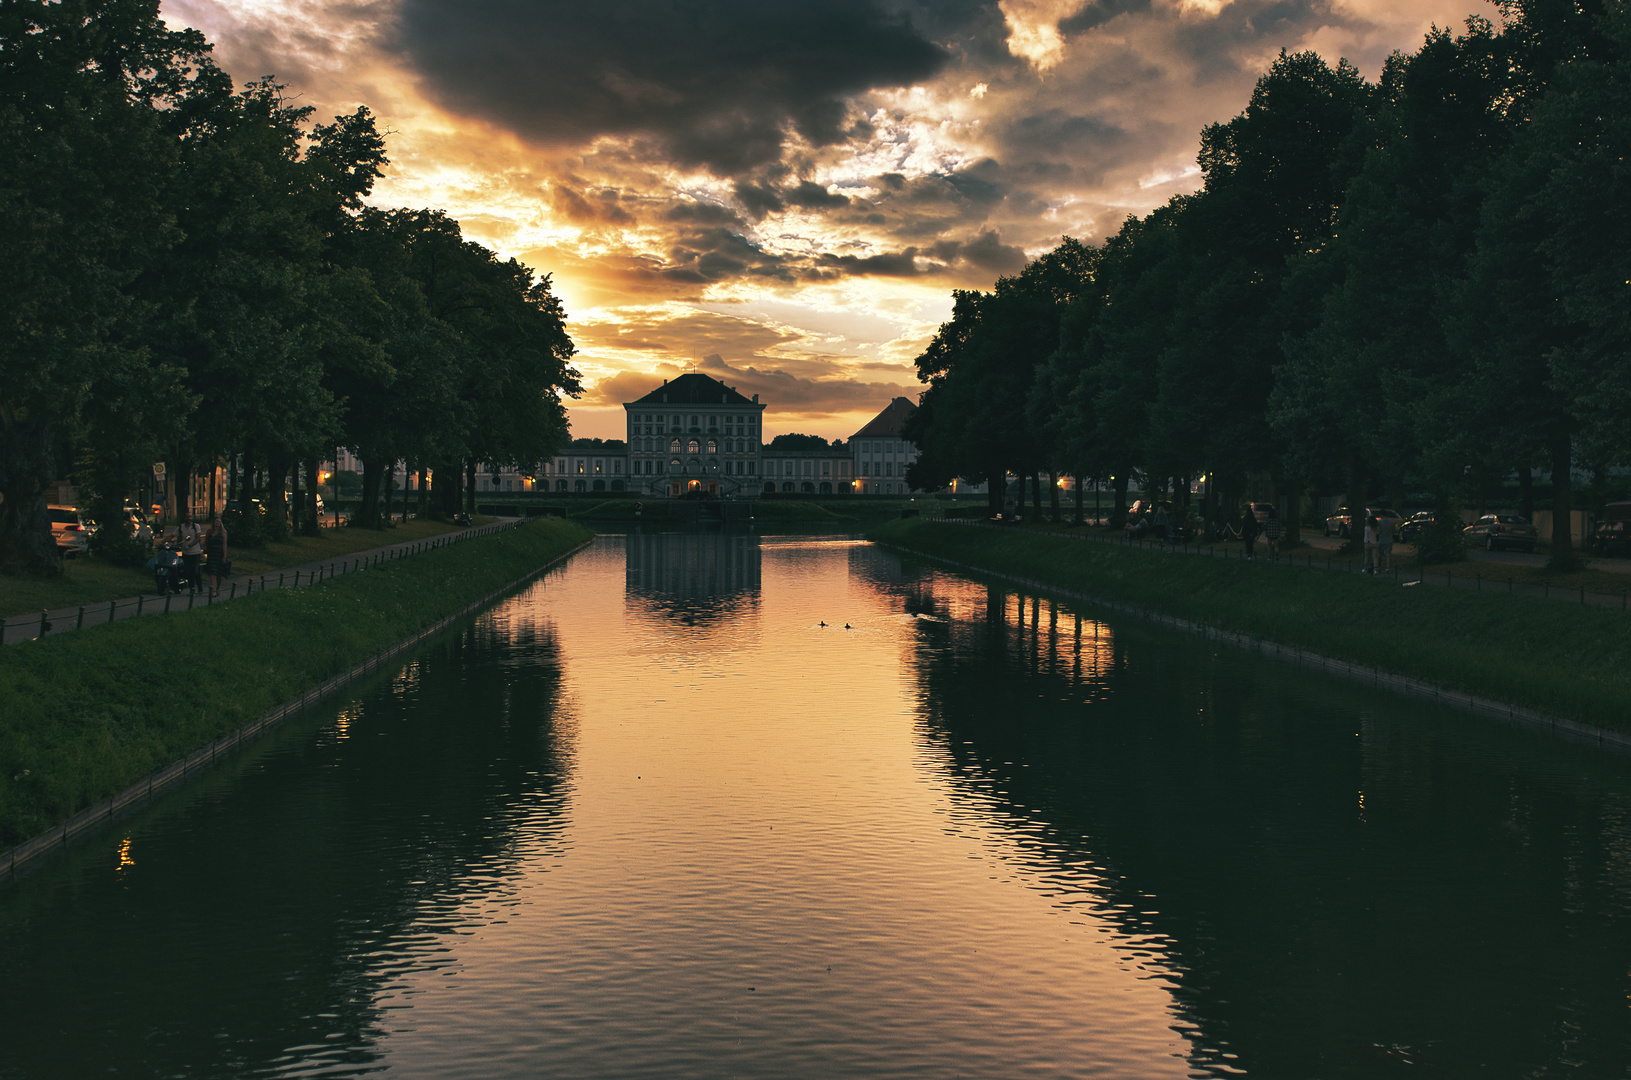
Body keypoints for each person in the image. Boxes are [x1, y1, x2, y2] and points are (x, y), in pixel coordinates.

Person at [174, 511, 204, 594]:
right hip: (186, 553)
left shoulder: (196, 526)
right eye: (187, 517)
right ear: (184, 518)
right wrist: (164, 541)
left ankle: (200, 587)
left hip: (195, 552)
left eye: (190, 517)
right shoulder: (181, 528)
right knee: (188, 571)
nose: (189, 519)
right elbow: (173, 535)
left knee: (195, 570)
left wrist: (190, 545)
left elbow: (198, 538)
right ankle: (192, 588)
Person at [204, 514, 228, 597]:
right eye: (216, 521)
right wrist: (205, 549)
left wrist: (224, 556)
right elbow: (206, 541)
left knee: (218, 573)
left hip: (219, 554)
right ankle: (213, 589)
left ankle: (218, 588)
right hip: (211, 553)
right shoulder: (209, 532)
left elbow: (224, 545)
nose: (218, 523)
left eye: (219, 522)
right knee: (212, 572)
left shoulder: (223, 533)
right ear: (213, 522)